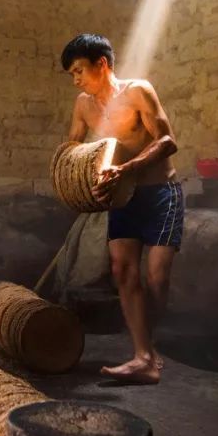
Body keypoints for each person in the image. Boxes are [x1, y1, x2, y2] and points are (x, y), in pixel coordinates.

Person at [61, 33, 183, 385]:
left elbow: (168, 141)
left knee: (156, 278)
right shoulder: (83, 104)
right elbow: (73, 148)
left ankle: (151, 344)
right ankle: (143, 356)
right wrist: (77, 180)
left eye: (80, 70)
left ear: (102, 64)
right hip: (123, 197)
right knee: (122, 272)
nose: (77, 79)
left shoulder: (137, 91)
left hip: (161, 192)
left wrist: (126, 169)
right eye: (72, 74)